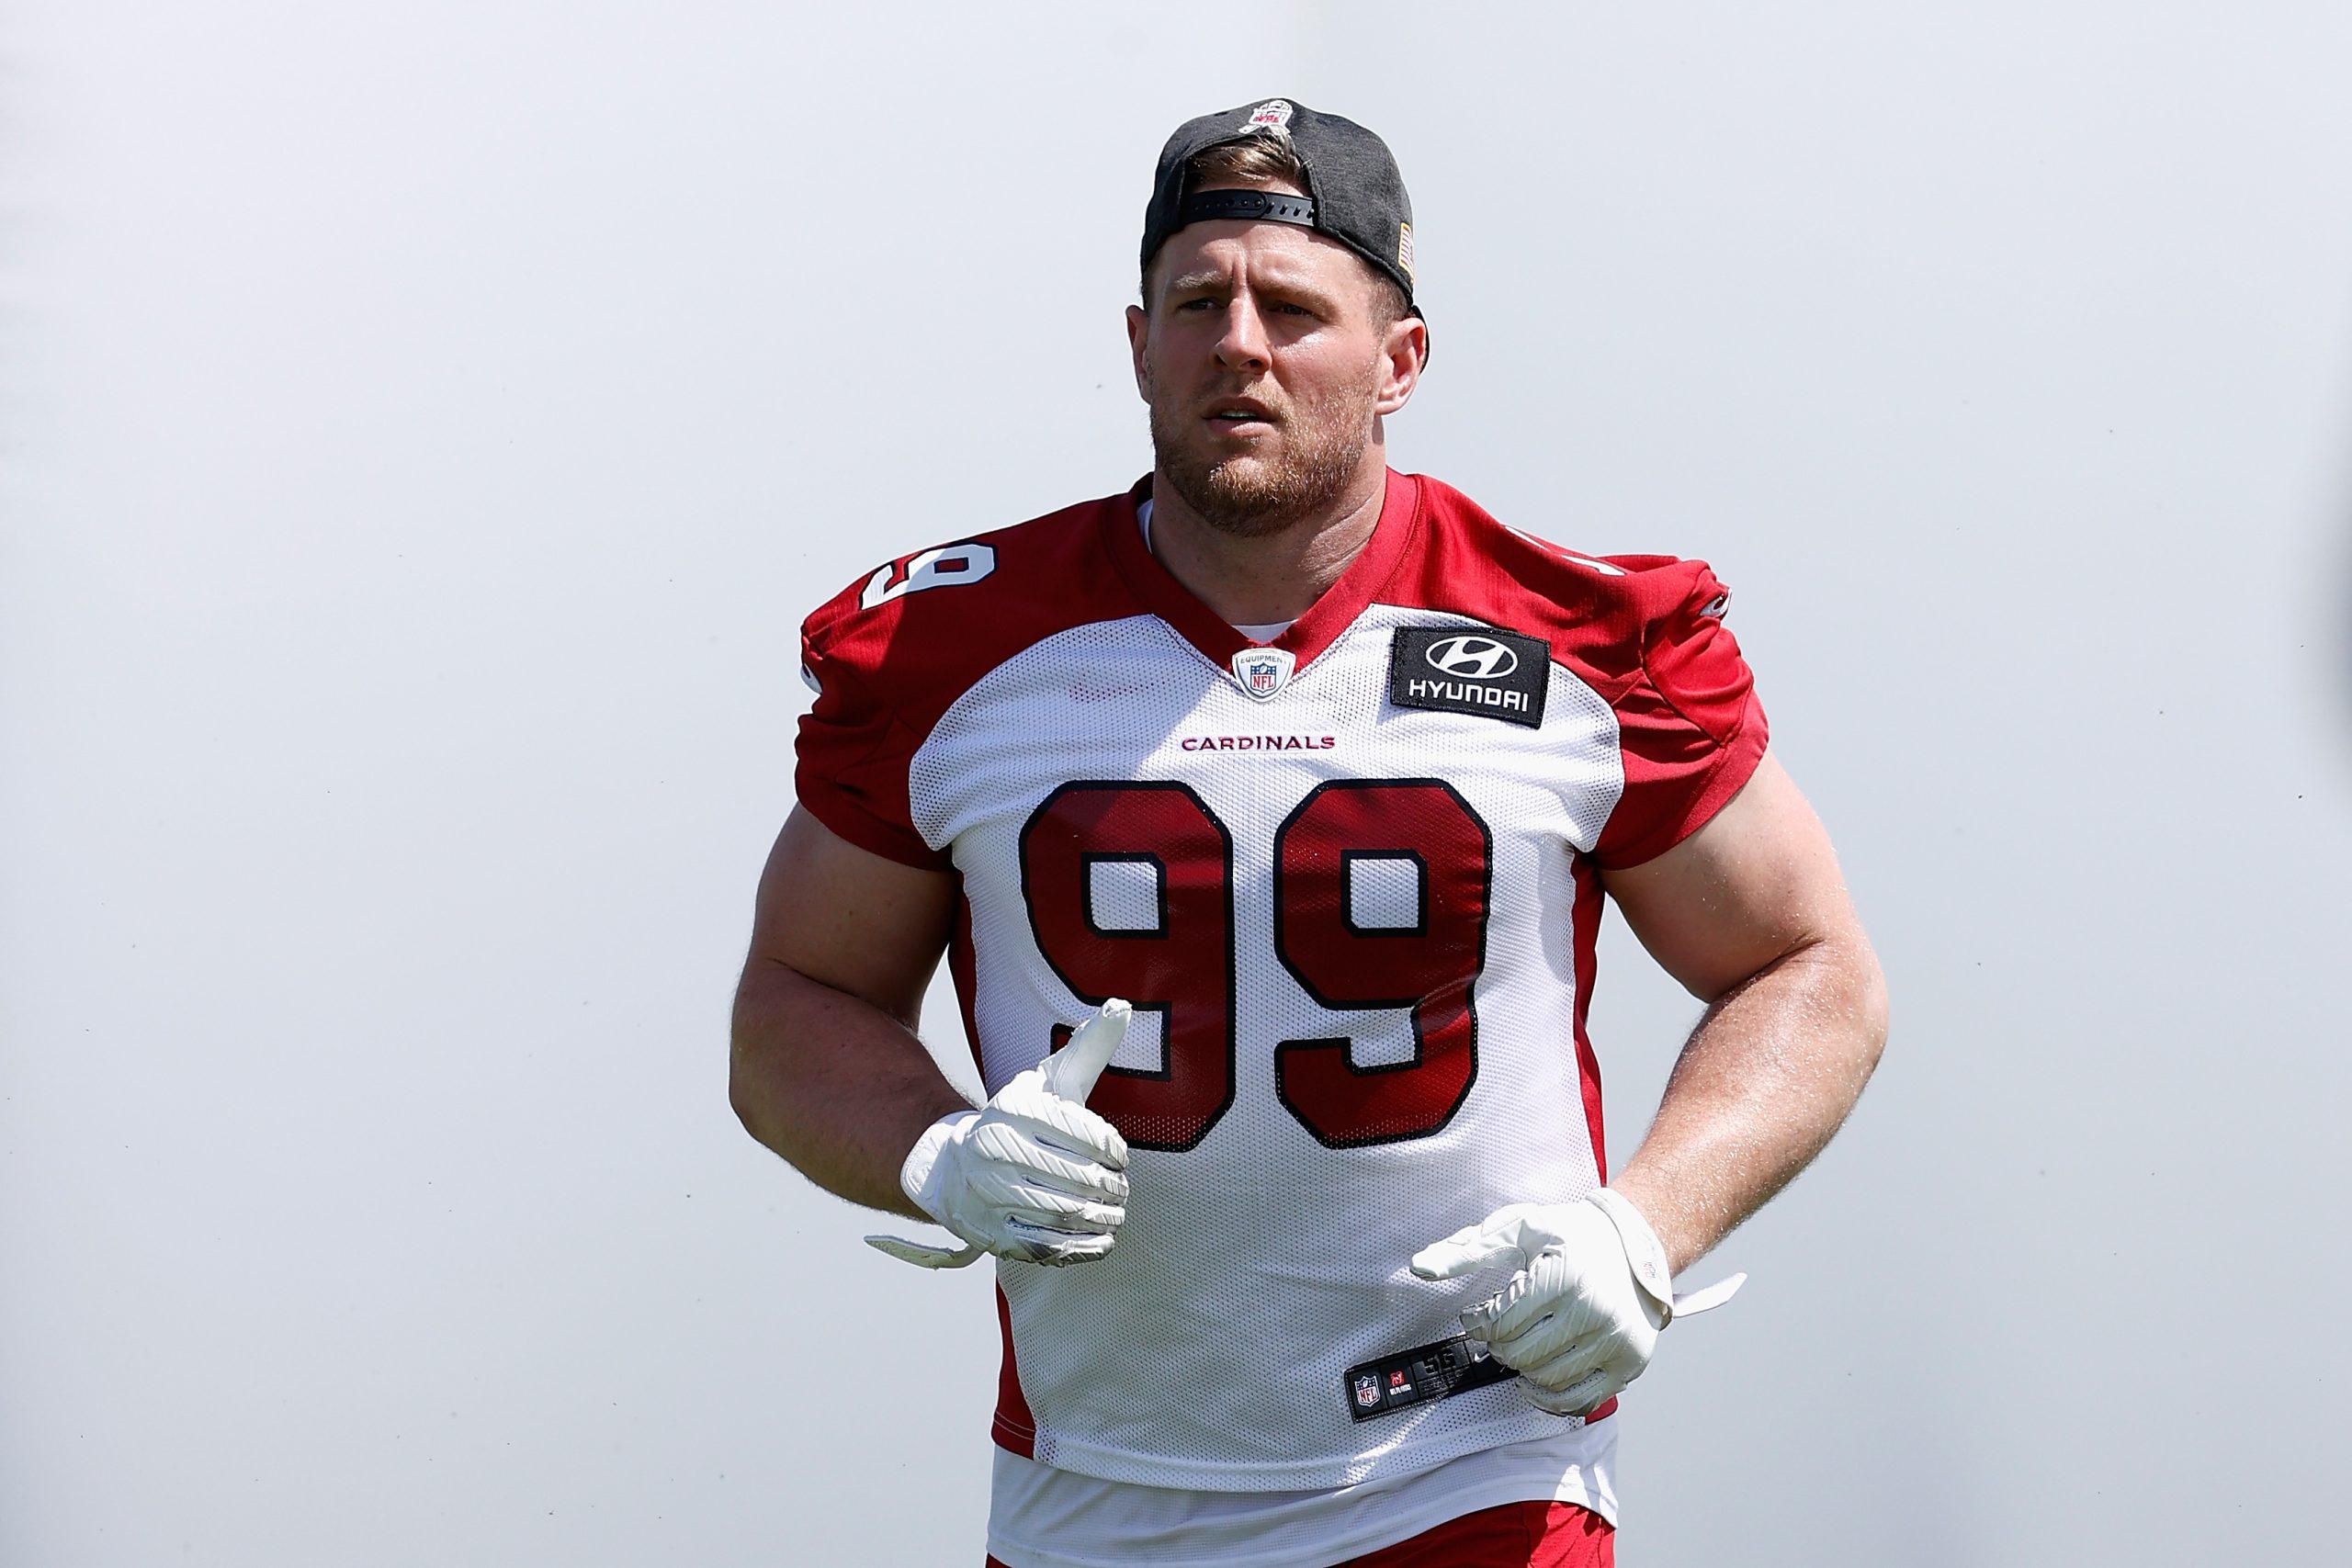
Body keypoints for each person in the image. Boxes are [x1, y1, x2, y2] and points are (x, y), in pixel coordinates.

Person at [729, 96, 1888, 1568]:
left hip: (1474, 1466)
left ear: (1403, 358)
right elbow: (793, 1003)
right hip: (1102, 1492)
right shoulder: (949, 648)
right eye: (1198, 300)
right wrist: (937, 1149)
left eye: (1293, 305)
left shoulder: (1574, 639)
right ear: (1137, 338)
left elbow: (1807, 964)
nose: (1241, 343)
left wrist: (1646, 1228)